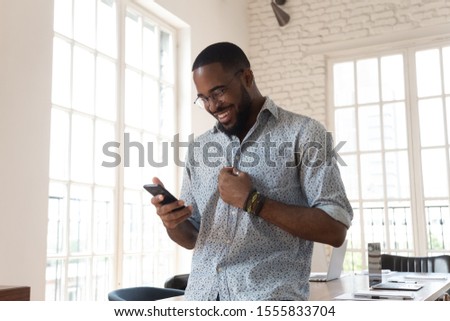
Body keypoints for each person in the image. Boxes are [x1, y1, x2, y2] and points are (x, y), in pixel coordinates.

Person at [151, 42, 353, 300]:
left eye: (218, 92)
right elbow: (192, 237)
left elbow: (335, 229)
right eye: (203, 98)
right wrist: (173, 222)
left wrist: (253, 201)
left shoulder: (303, 134)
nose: (212, 106)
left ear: (247, 77)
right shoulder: (199, 149)